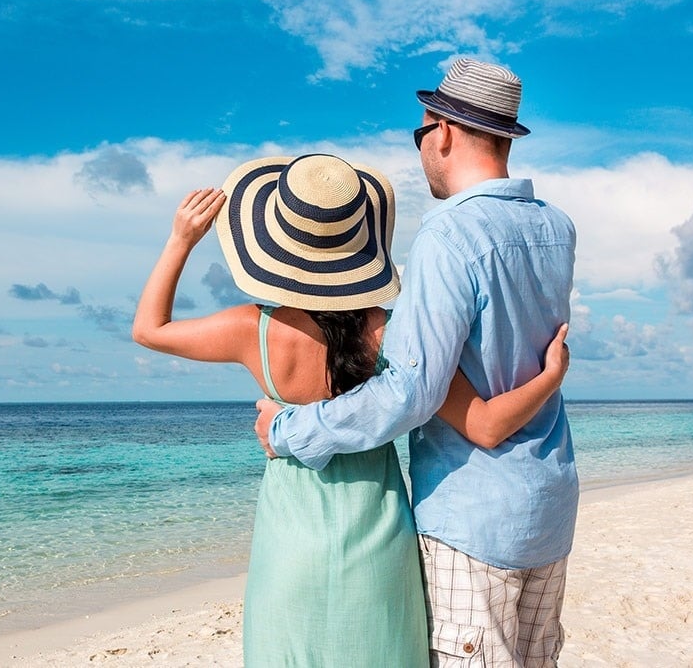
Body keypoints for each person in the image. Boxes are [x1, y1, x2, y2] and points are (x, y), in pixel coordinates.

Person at [132, 152, 569, 667]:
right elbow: (484, 422)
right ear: (358, 243)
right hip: (379, 535)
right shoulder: (386, 330)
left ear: (275, 242)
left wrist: (181, 240)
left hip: (289, 544)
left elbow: (149, 329)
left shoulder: (252, 329)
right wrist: (551, 376)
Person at [255, 60, 579, 667]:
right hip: (549, 503)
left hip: (474, 516)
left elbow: (411, 392)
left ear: (444, 130)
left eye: (420, 133)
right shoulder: (556, 229)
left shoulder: (449, 234)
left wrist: (289, 429)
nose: (421, 148)